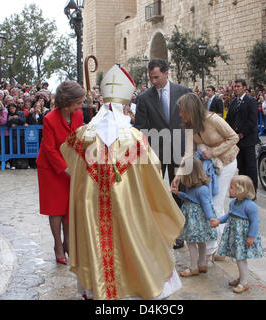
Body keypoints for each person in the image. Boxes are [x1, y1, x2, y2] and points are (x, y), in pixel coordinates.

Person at [60, 65, 185, 300]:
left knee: (98, 245)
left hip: (91, 206)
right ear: (124, 107)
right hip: (127, 206)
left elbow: (68, 158)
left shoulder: (81, 136)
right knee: (133, 241)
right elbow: (154, 170)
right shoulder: (135, 139)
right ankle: (135, 287)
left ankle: (97, 290)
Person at [171, 92, 239, 262]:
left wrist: (213, 151)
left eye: (182, 110)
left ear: (190, 110)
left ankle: (212, 249)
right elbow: (188, 153)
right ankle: (223, 246)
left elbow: (234, 137)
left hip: (226, 162)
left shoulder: (213, 119)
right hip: (209, 166)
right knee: (213, 205)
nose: (180, 114)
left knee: (215, 204)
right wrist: (178, 175)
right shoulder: (189, 125)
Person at [134, 58, 190, 249]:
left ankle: (179, 232)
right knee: (154, 190)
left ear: (166, 73)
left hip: (179, 149)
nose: (154, 81)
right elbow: (140, 129)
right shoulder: (143, 98)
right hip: (156, 152)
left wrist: (193, 148)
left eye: (157, 77)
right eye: (151, 78)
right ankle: (155, 230)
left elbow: (192, 122)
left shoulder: (184, 92)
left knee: (179, 191)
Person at [36, 81, 84, 265]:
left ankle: (68, 242)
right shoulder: (49, 118)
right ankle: (57, 245)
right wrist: (64, 168)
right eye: (78, 102)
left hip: (71, 166)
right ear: (67, 102)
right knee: (56, 209)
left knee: (69, 207)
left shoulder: (78, 115)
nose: (80, 106)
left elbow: (78, 139)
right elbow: (49, 149)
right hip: (51, 168)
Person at [210, 175, 263, 294]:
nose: (229, 189)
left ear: (241, 190)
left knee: (240, 259)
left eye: (232, 187)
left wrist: (251, 237)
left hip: (243, 237)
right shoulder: (234, 202)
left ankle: (244, 283)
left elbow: (255, 222)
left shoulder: (251, 206)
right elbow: (229, 215)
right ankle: (241, 278)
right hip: (235, 236)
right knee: (237, 258)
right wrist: (219, 221)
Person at [171, 157, 218, 277]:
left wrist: (211, 218)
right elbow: (189, 198)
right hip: (195, 221)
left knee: (191, 243)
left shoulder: (202, 190)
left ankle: (193, 267)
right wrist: (178, 194)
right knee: (201, 242)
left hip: (196, 222)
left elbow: (206, 205)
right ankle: (202, 264)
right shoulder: (194, 188)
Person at [226, 79, 260, 193]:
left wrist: (241, 134)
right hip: (237, 141)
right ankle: (242, 190)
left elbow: (252, 120)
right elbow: (229, 120)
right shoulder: (233, 102)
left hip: (248, 139)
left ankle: (252, 191)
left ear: (244, 88)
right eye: (235, 86)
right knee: (241, 167)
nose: (236, 88)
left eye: (238, 86)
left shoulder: (250, 101)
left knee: (251, 167)